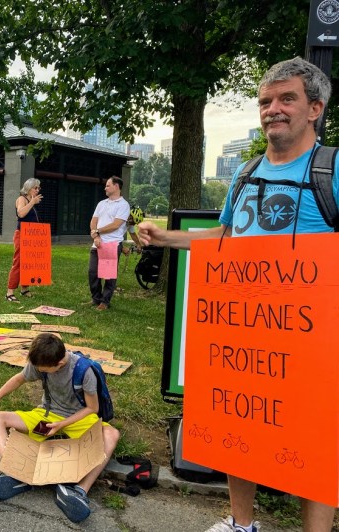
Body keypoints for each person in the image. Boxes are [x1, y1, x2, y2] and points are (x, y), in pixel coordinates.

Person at [137, 57, 337, 532]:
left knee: (315, 442)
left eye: (286, 98)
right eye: (265, 101)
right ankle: (241, 524)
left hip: (311, 338)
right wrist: (166, 238)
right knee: (240, 426)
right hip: (247, 332)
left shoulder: (332, 169)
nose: (273, 109)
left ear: (314, 108)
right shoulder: (245, 173)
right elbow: (226, 235)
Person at [0, 333, 120, 524]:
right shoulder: (42, 360)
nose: (39, 372)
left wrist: (62, 424)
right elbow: (19, 379)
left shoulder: (83, 370)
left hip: (78, 419)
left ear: (60, 363)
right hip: (46, 416)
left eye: (45, 371)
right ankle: (14, 473)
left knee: (112, 433)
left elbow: (92, 408)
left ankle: (78, 492)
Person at [87, 176, 130, 310]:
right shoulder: (102, 203)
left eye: (108, 185)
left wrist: (97, 231)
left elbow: (116, 225)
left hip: (112, 244)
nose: (105, 188)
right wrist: (95, 236)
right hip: (97, 243)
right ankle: (96, 298)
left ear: (116, 186)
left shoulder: (124, 205)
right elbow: (93, 220)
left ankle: (105, 302)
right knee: (92, 272)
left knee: (109, 275)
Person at [6, 178, 43, 302]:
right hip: (22, 234)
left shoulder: (31, 201)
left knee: (29, 263)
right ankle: (9, 292)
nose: (38, 190)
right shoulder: (22, 199)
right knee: (18, 262)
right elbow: (21, 214)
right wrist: (32, 203)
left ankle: (24, 288)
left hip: (32, 235)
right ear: (28, 188)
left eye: (39, 188)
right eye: (35, 188)